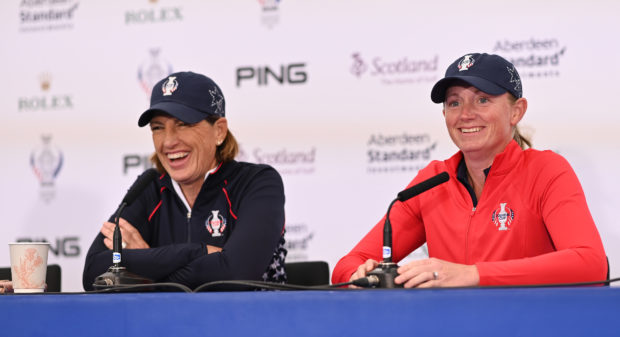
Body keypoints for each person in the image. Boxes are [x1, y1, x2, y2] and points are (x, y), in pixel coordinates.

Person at [332, 53, 607, 288]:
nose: (465, 114)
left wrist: (473, 274)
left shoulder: (545, 170)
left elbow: (590, 264)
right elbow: (346, 266)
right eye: (454, 103)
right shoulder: (433, 181)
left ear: (516, 112)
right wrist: (361, 275)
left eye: (482, 100)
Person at [83, 72, 287, 290]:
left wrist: (145, 266)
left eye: (183, 124)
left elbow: (235, 273)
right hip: (166, 323)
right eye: (158, 128)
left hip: (246, 321)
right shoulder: (149, 187)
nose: (169, 141)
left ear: (219, 131)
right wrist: (200, 252)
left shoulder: (256, 183)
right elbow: (95, 273)